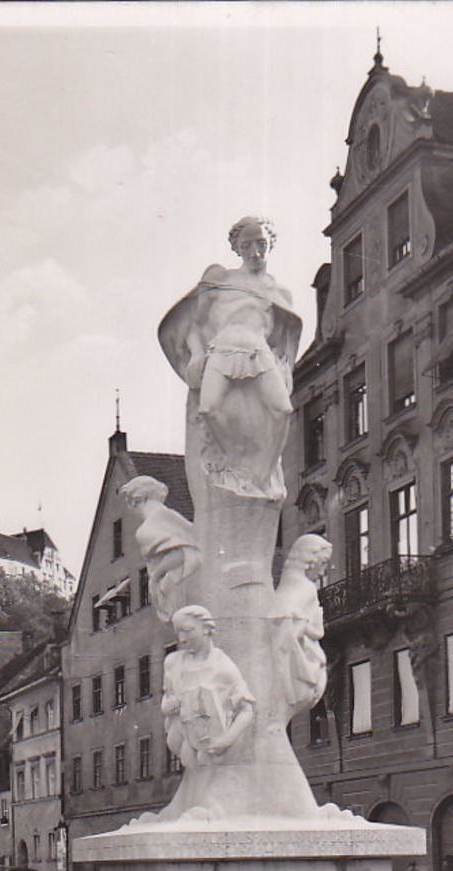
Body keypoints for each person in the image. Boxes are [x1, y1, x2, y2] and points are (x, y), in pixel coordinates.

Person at [158, 216, 302, 499]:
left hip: (258, 353)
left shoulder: (280, 292)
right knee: (208, 410)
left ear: (271, 243)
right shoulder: (220, 278)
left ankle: (261, 475)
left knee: (283, 411)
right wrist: (198, 352)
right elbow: (193, 325)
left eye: (261, 244)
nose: (255, 252)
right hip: (222, 351)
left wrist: (284, 368)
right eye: (247, 245)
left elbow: (282, 345)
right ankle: (233, 459)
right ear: (236, 248)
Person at [161, 605, 255, 767]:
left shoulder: (223, 667)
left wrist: (226, 740)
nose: (182, 639)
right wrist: (167, 706)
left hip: (212, 745)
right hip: (183, 738)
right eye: (179, 633)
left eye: (188, 630)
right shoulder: (173, 663)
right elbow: (167, 698)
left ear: (205, 628)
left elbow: (246, 710)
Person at [120, 476, 201, 621]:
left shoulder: (147, 529)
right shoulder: (172, 516)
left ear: (133, 501)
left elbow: (181, 553)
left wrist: (156, 575)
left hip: (178, 591)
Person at [269, 533, 332, 714]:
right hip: (300, 659)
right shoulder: (306, 587)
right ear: (310, 560)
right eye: (323, 562)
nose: (324, 570)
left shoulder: (287, 583)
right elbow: (315, 631)